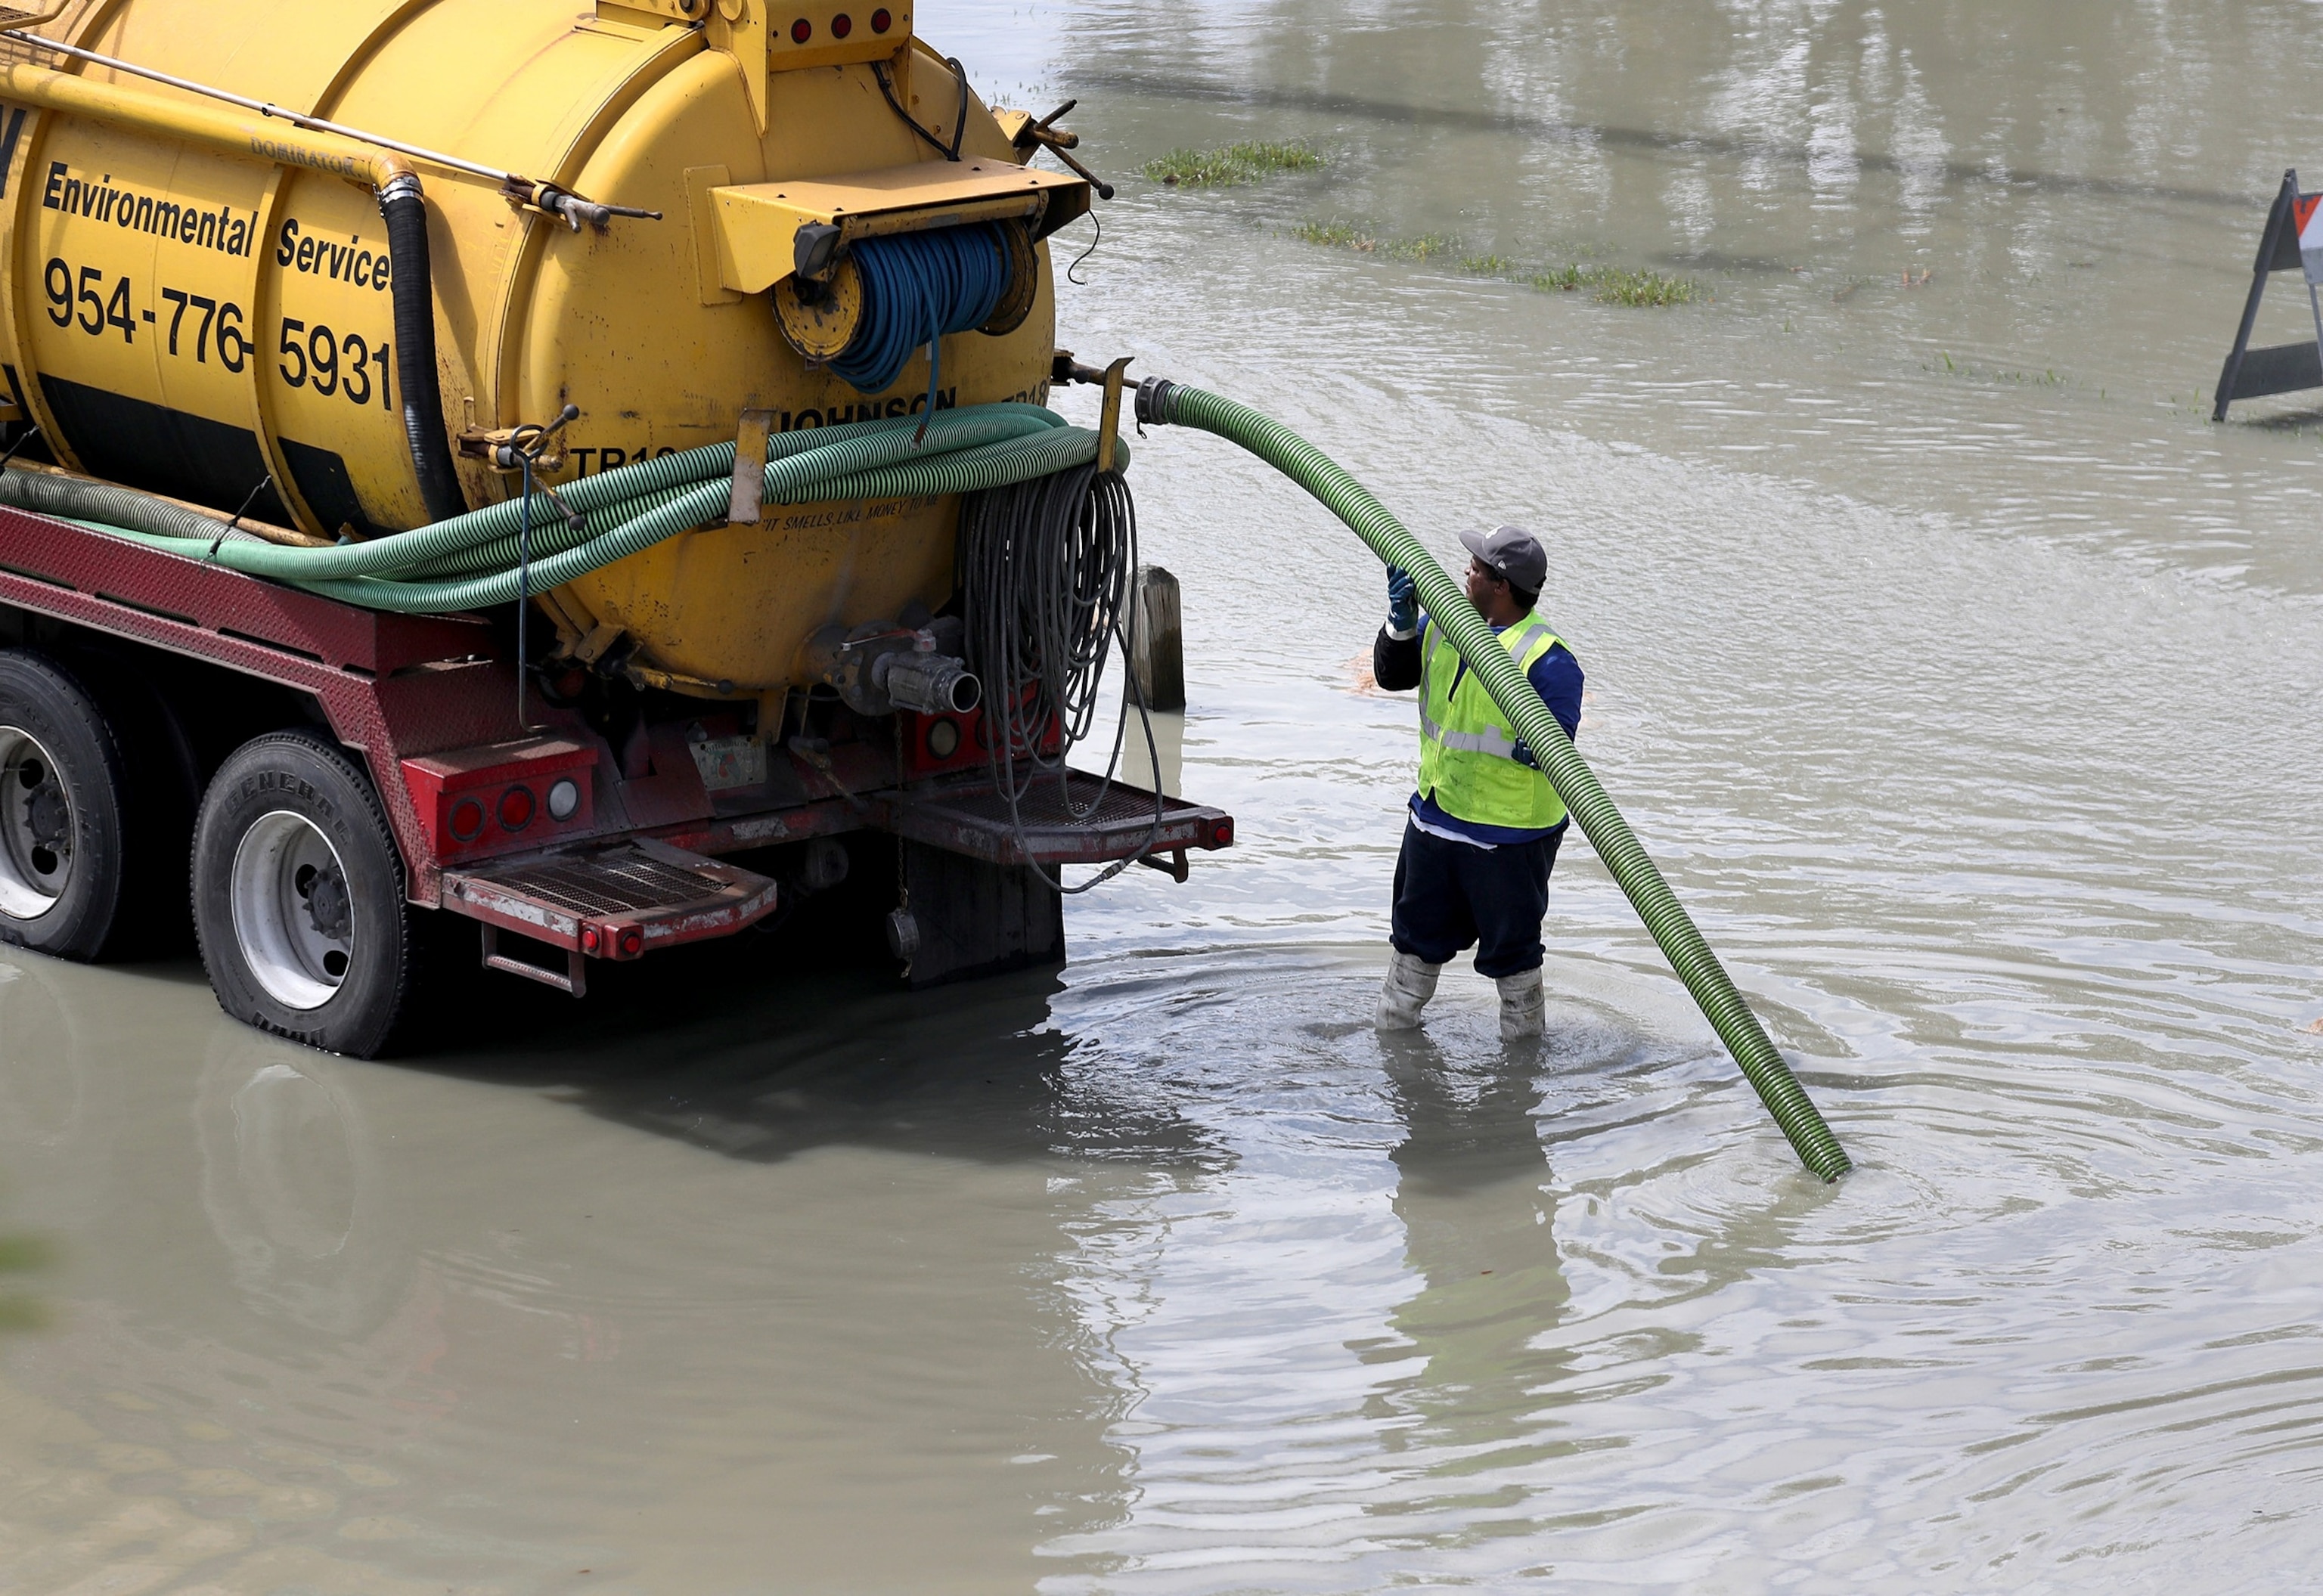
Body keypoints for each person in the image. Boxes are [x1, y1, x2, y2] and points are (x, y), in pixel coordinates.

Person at [1371, 525, 1583, 1041]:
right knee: (1412, 949)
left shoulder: (1549, 660)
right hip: (1436, 821)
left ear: (1501, 586)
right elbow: (1391, 676)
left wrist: (1540, 746)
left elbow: (1560, 750)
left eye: (1477, 567)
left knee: (1515, 965)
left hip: (1506, 842)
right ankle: (1397, 1054)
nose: (1465, 570)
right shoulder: (1446, 625)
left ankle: (1523, 1064)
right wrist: (1399, 626)